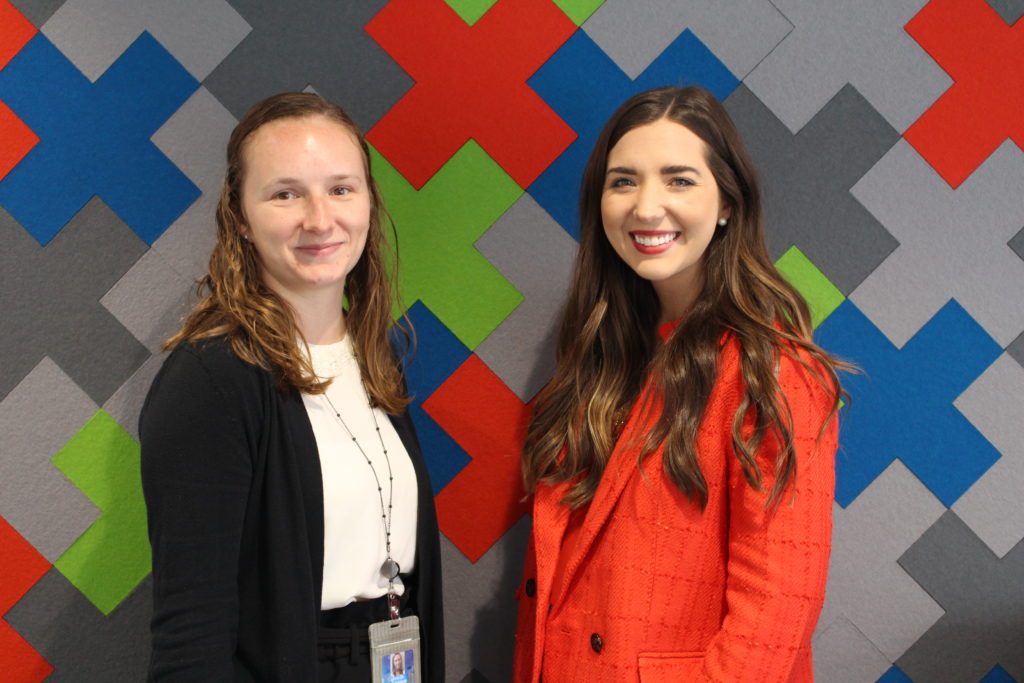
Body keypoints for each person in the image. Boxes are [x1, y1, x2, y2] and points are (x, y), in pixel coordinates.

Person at [513, 85, 847, 682]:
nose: (646, 207)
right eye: (623, 181)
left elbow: (774, 614)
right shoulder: (603, 353)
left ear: (727, 204)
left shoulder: (771, 369)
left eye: (679, 180)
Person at [140, 92, 443, 682]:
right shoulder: (212, 380)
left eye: (341, 189)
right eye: (286, 194)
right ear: (239, 217)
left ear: (369, 201)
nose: (320, 219)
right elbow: (190, 629)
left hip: (388, 656)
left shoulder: (373, 354)